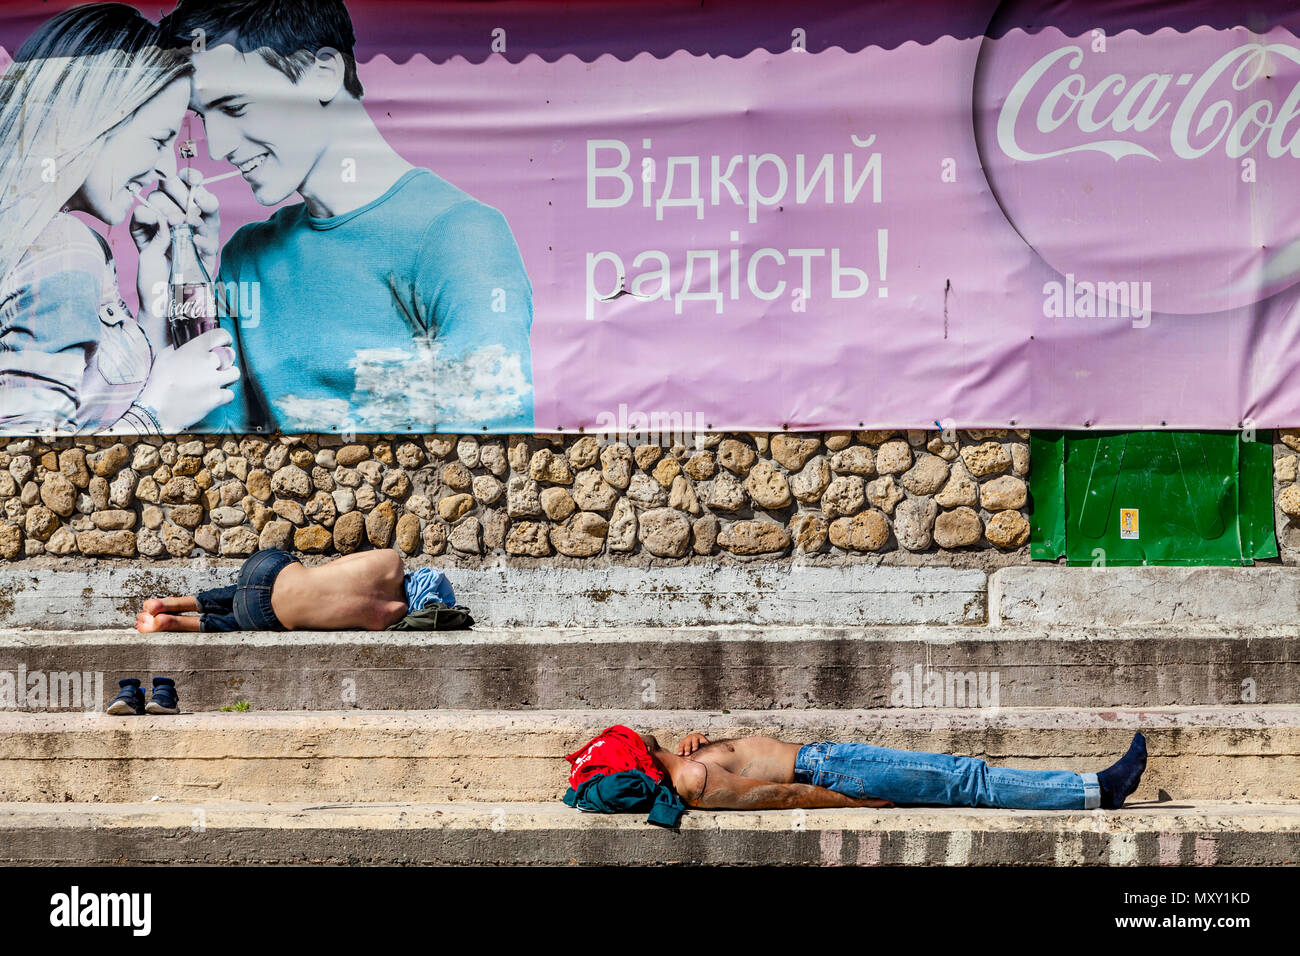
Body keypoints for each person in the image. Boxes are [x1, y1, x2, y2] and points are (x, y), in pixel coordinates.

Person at [162, 0, 536, 435]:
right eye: (203, 117)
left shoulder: (459, 236)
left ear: (323, 73)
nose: (216, 147)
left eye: (236, 107)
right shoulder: (245, 255)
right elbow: (211, 452)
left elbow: (488, 462)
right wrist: (187, 271)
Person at [0, 2, 238, 435]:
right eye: (158, 138)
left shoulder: (53, 241)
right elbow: (29, 474)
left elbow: (96, 398)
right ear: (85, 119)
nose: (168, 168)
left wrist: (153, 308)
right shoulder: (62, 245)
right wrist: (158, 414)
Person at [631, 728, 1148, 811]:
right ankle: (1099, 790)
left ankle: (1094, 788)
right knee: (968, 781)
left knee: (964, 776)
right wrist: (850, 802)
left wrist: (699, 741)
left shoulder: (688, 755)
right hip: (832, 773)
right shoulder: (693, 780)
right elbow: (779, 795)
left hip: (831, 759)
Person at [134, 547, 456, 632]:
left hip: (268, 568)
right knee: (246, 617)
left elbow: (335, 567)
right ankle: (177, 623)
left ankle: (175, 603)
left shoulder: (390, 561)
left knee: (257, 587)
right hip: (265, 614)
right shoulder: (389, 617)